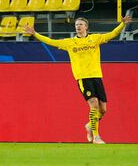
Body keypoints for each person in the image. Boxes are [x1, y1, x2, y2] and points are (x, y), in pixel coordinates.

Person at [23, 16, 132, 144]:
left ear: (86, 27)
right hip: (83, 77)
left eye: (80, 24)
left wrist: (122, 24)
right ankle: (96, 137)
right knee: (94, 104)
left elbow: (112, 34)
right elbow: (51, 41)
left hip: (96, 76)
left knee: (103, 109)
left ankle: (89, 126)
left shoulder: (95, 39)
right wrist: (35, 34)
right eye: (76, 24)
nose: (78, 26)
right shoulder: (70, 42)